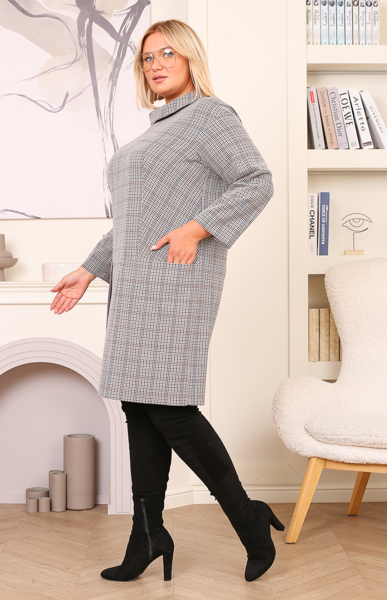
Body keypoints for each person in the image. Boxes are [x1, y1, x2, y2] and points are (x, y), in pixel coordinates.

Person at [50, 19, 284, 583]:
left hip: (177, 284)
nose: (155, 65)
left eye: (167, 54)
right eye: (147, 58)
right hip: (134, 287)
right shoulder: (154, 131)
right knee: (138, 404)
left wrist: (198, 227)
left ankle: (249, 521)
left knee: (172, 410)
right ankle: (149, 533)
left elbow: (256, 180)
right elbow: (132, 223)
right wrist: (88, 270)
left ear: (190, 58)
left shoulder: (210, 115)